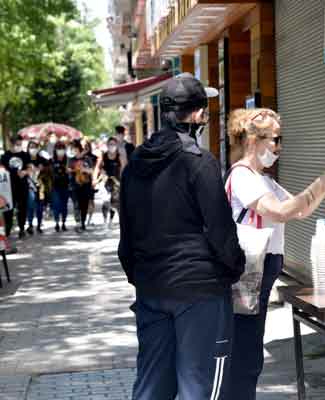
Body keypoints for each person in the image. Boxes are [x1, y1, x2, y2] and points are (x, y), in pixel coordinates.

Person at [118, 73, 245, 400]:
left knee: (151, 387)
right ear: (198, 114)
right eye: (205, 110)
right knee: (201, 386)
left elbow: (126, 235)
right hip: (199, 289)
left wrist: (141, 277)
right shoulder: (199, 162)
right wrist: (233, 270)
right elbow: (221, 231)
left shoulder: (134, 164)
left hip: (151, 286)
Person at [223, 108, 325, 400]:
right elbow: (279, 212)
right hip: (247, 272)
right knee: (244, 350)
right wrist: (322, 183)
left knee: (249, 349)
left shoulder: (262, 178)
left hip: (258, 271)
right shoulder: (243, 175)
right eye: (275, 139)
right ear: (253, 140)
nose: (279, 147)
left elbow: (300, 210)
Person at [1, 135, 29, 240]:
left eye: (20, 144)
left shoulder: (25, 155)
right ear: (12, 144)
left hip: (22, 186)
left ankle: (22, 228)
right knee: (9, 210)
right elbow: (2, 169)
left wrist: (25, 172)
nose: (19, 146)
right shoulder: (5, 156)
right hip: (9, 187)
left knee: (22, 208)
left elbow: (29, 167)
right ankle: (7, 230)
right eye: (17, 144)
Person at [94, 137, 125, 228]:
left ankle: (111, 220)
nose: (112, 146)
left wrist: (123, 181)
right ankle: (104, 221)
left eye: (113, 144)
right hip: (105, 181)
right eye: (110, 144)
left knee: (114, 201)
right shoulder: (103, 156)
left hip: (116, 182)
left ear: (116, 146)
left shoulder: (120, 156)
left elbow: (124, 169)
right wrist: (95, 179)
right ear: (107, 145)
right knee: (105, 201)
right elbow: (97, 167)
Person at [68, 140, 94, 232]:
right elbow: (68, 170)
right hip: (75, 186)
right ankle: (78, 222)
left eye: (76, 149)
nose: (75, 151)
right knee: (76, 204)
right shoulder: (71, 160)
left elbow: (91, 171)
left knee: (84, 204)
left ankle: (83, 222)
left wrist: (84, 169)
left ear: (80, 149)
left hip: (86, 185)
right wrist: (73, 170)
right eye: (73, 150)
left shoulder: (87, 159)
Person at [25, 141, 46, 234]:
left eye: (34, 147)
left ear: (38, 148)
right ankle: (30, 224)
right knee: (30, 205)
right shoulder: (25, 158)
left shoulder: (41, 159)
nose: (33, 149)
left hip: (40, 185)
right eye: (31, 147)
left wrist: (41, 169)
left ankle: (39, 224)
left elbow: (46, 170)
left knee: (40, 206)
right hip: (29, 185)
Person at [51, 142, 70, 232]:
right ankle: (57, 222)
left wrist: (69, 171)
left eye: (62, 148)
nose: (60, 151)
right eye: (58, 148)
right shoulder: (52, 160)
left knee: (64, 205)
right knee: (56, 205)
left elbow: (72, 171)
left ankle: (63, 223)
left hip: (65, 185)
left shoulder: (67, 160)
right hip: (55, 186)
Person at [82, 139, 98, 226]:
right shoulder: (79, 157)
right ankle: (83, 218)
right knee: (83, 201)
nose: (85, 148)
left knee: (91, 201)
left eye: (87, 146)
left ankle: (90, 219)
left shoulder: (93, 157)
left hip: (90, 181)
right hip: (81, 182)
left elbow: (95, 169)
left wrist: (95, 180)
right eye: (84, 146)